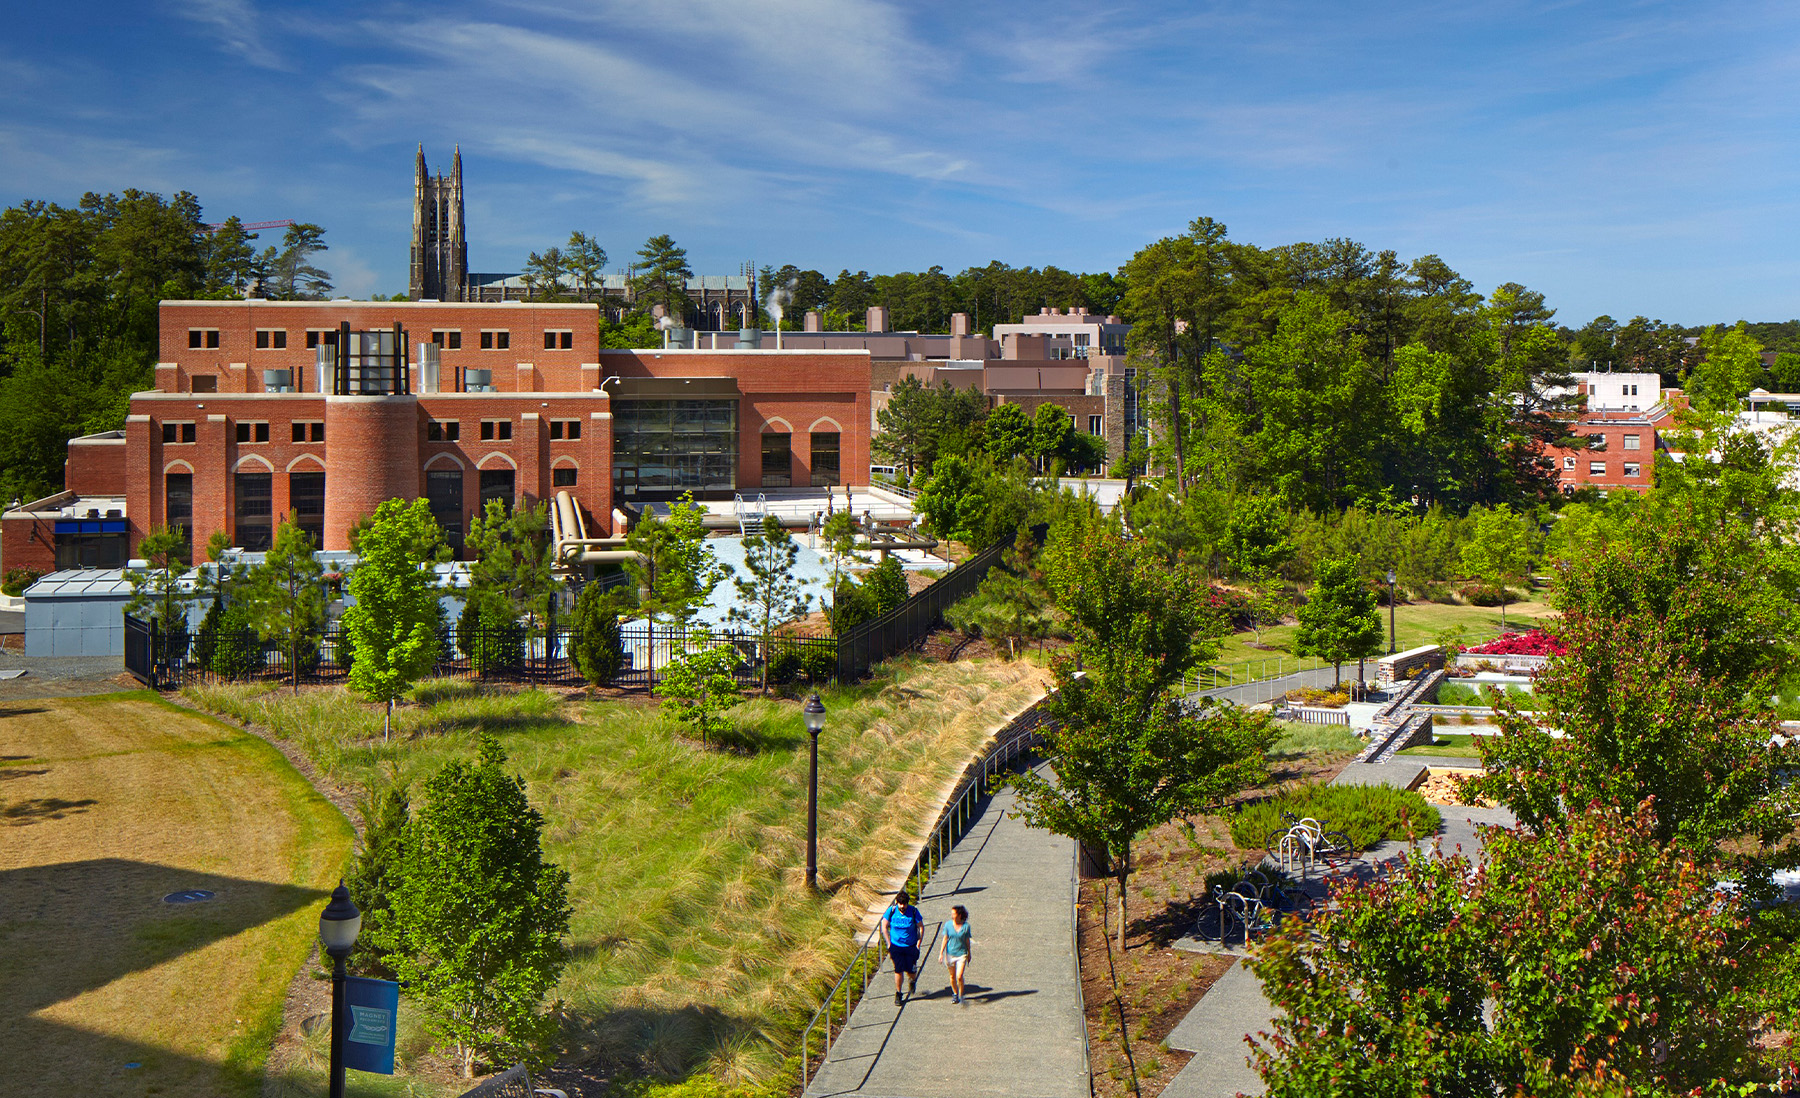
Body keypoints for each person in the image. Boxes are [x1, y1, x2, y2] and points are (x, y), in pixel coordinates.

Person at [881, 889, 923, 1004]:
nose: (903, 907)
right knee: (898, 970)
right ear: (897, 903)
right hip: (896, 946)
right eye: (900, 904)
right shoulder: (892, 911)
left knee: (911, 970)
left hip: (910, 946)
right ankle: (898, 993)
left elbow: (921, 927)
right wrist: (889, 943)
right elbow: (884, 926)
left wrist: (918, 944)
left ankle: (912, 981)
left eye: (904, 904)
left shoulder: (913, 911)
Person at [940, 904, 972, 1004]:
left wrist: (969, 953)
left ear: (959, 915)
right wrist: (941, 953)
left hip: (961, 954)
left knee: (959, 976)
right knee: (952, 976)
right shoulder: (948, 925)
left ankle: (961, 994)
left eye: (954, 913)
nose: (952, 915)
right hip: (950, 954)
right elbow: (945, 939)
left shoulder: (966, 926)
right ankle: (955, 993)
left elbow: (967, 940)